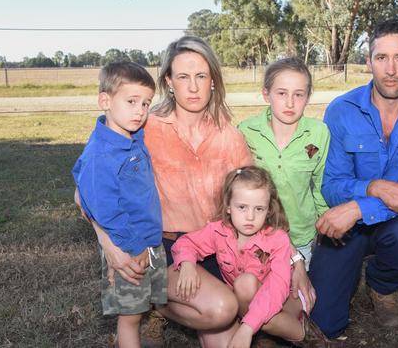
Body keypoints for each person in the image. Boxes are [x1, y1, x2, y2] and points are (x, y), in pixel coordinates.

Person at [78, 36, 316, 347]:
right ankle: (156, 302)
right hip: (161, 248)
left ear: (213, 81)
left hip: (218, 246)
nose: (193, 87)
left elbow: (257, 201)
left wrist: (294, 258)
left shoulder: (229, 136)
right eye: (183, 77)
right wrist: (109, 244)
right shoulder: (142, 129)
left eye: (201, 76)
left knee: (231, 330)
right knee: (221, 309)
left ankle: (174, 305)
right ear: (168, 81)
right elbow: (85, 192)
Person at [308, 17, 398, 340]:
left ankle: (382, 285)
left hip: (395, 222)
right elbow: (331, 186)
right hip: (346, 227)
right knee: (324, 324)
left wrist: (358, 207)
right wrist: (375, 187)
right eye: (381, 58)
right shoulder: (341, 110)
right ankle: (345, 272)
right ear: (368, 62)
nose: (390, 69)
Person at [172, 166, 328, 348]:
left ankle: (305, 335)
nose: (250, 216)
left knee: (246, 286)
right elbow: (186, 243)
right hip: (246, 300)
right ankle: (260, 334)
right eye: (242, 207)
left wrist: (247, 327)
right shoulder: (218, 231)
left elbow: (276, 290)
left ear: (269, 210)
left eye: (259, 209)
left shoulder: (277, 239)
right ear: (228, 206)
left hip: (287, 300)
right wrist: (187, 264)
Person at [72, 61, 167, 347]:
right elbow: (106, 209)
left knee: (143, 308)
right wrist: (132, 245)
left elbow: (77, 173)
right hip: (130, 247)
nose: (140, 111)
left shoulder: (133, 137)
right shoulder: (102, 153)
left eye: (146, 103)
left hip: (149, 242)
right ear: (105, 100)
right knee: (129, 317)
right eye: (131, 101)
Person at [238, 57, 330, 269]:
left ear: (308, 97)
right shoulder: (246, 131)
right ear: (266, 94)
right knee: (256, 291)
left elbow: (320, 183)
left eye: (298, 94)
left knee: (296, 294)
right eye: (281, 93)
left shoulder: (318, 133)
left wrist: (324, 221)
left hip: (300, 233)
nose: (290, 103)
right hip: (255, 232)